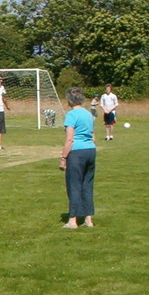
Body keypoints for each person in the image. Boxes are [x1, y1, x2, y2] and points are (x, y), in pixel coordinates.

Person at [58, 86, 96, 229]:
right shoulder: (88, 114)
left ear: (69, 100)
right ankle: (88, 218)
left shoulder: (71, 115)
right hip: (91, 150)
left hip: (77, 152)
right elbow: (93, 135)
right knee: (87, 185)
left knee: (74, 185)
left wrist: (63, 158)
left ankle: (72, 220)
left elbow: (69, 139)